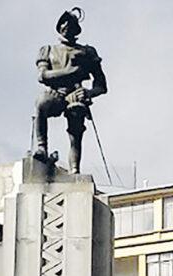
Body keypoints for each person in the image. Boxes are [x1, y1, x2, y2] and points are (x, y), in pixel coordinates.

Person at [33, 8, 108, 174]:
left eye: (70, 25)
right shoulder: (48, 50)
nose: (66, 27)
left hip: (76, 93)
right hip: (56, 92)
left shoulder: (86, 52)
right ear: (60, 27)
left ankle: (74, 168)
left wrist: (88, 93)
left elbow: (101, 85)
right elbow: (42, 76)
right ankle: (42, 148)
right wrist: (70, 72)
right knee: (41, 103)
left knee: (76, 125)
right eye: (64, 24)